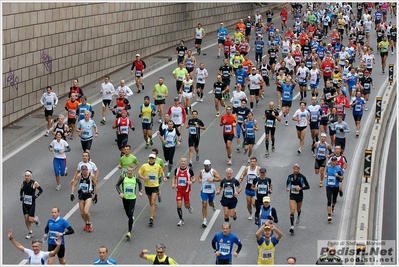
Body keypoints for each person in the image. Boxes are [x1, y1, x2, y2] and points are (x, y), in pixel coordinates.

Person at [116, 165, 143, 239]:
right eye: (129, 171)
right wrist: (120, 193)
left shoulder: (135, 177)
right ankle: (131, 218)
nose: (130, 172)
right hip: (125, 198)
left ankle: (129, 232)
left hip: (132, 198)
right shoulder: (123, 177)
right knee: (127, 213)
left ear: (133, 171)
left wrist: (140, 191)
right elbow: (117, 185)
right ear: (127, 171)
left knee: (130, 214)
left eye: (131, 171)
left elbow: (140, 183)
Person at [138, 154, 166, 227]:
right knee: (151, 202)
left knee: (153, 201)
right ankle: (153, 208)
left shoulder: (157, 166)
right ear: (148, 159)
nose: (151, 159)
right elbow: (139, 174)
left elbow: (161, 171)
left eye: (153, 158)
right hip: (147, 186)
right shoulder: (144, 166)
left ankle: (151, 218)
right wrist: (144, 178)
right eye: (150, 158)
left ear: (155, 159)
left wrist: (164, 177)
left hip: (155, 186)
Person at [70, 165, 98, 232]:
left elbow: (96, 185)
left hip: (89, 195)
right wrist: (72, 193)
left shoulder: (91, 176)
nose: (84, 173)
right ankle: (86, 223)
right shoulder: (79, 175)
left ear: (87, 170)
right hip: (81, 194)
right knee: (82, 213)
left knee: (86, 211)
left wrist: (96, 195)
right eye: (83, 172)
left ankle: (90, 223)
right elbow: (74, 184)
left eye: (85, 172)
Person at [286, 164, 310, 234]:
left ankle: (299, 215)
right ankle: (292, 226)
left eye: (297, 169)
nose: (296, 170)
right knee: (292, 211)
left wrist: (301, 188)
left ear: (299, 169)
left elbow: (308, 186)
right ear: (293, 169)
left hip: (299, 196)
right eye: (294, 169)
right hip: (292, 196)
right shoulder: (290, 176)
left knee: (298, 209)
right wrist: (287, 187)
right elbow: (287, 183)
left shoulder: (302, 177)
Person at [172, 157, 196, 226]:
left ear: (186, 162)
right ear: (180, 162)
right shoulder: (177, 170)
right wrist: (173, 184)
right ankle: (181, 219)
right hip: (179, 190)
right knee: (179, 204)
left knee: (186, 205)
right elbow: (174, 177)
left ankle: (189, 207)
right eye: (182, 161)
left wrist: (191, 181)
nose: (183, 163)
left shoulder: (189, 170)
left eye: (184, 161)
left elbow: (194, 178)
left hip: (186, 191)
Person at [198, 159, 221, 227]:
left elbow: (219, 178)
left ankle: (213, 205)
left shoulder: (213, 171)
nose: (206, 167)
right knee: (204, 204)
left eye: (207, 166)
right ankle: (204, 220)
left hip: (211, 191)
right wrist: (199, 180)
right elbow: (199, 177)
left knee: (210, 204)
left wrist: (213, 179)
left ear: (210, 165)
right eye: (205, 166)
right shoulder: (202, 172)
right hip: (204, 190)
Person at [20, 170, 42, 239]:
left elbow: (41, 190)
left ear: (31, 176)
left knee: (30, 219)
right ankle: (30, 232)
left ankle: (35, 219)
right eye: (25, 176)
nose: (26, 177)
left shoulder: (34, 183)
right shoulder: (23, 183)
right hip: (25, 203)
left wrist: (36, 196)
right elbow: (21, 191)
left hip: (31, 203)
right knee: (26, 219)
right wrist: (21, 196)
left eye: (28, 176)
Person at [325, 157, 344, 222]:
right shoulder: (328, 167)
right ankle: (329, 215)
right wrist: (326, 176)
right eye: (332, 161)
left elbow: (342, 178)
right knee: (329, 200)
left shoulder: (339, 168)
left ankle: (333, 206)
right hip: (328, 186)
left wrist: (338, 176)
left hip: (335, 187)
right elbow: (326, 173)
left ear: (336, 162)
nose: (333, 162)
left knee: (334, 200)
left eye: (334, 161)